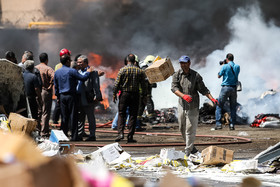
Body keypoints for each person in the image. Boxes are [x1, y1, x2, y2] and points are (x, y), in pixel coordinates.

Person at [171, 55, 218, 156]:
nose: (182, 65)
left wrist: (212, 98)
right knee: (182, 128)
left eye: (184, 63)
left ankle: (187, 152)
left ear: (189, 63)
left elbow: (203, 89)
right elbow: (174, 88)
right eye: (181, 63)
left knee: (190, 129)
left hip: (193, 106)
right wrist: (183, 96)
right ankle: (192, 148)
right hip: (182, 105)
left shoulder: (196, 75)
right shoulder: (177, 75)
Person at [54, 51, 94, 141]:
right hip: (71, 96)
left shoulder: (57, 72)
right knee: (73, 116)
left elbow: (56, 86)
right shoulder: (72, 71)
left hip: (62, 96)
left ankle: (63, 136)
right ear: (68, 61)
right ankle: (74, 137)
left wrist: (57, 97)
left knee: (64, 117)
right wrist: (88, 72)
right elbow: (83, 78)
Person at [113, 54, 147, 143]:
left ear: (126, 61)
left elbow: (116, 84)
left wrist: (114, 94)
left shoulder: (122, 70)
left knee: (121, 114)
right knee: (133, 115)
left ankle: (120, 133)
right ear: (134, 61)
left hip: (124, 94)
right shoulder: (139, 71)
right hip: (135, 95)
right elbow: (144, 86)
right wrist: (144, 96)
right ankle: (130, 136)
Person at [76, 55, 103, 141]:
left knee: (90, 117)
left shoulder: (93, 72)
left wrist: (97, 96)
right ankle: (80, 134)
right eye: (78, 62)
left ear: (85, 63)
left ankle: (92, 135)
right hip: (80, 98)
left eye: (80, 62)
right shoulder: (78, 71)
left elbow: (96, 84)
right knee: (80, 117)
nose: (78, 64)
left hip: (89, 98)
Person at [215, 53, 240, 131]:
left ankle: (218, 124)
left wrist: (223, 65)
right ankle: (232, 125)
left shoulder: (225, 66)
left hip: (225, 88)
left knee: (219, 105)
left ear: (226, 59)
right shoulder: (237, 66)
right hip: (234, 88)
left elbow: (219, 76)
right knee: (233, 107)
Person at [35, 53, 54, 137]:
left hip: (36, 91)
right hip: (46, 91)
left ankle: (37, 130)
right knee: (45, 112)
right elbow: (54, 77)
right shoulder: (48, 69)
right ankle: (44, 132)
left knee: (38, 111)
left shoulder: (35, 68)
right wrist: (50, 86)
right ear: (47, 59)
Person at [52, 49, 71, 124]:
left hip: (60, 88)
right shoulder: (69, 65)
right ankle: (67, 123)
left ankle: (55, 119)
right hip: (67, 88)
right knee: (66, 108)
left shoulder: (57, 66)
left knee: (58, 105)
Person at [23, 60, 43, 130]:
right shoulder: (34, 77)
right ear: (32, 68)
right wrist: (40, 99)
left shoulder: (21, 75)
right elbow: (37, 89)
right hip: (31, 100)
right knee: (33, 116)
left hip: (22, 100)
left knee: (24, 117)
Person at [138, 55, 157, 124]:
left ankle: (138, 121)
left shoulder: (143, 67)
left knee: (141, 105)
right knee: (148, 103)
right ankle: (151, 119)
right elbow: (146, 80)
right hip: (145, 91)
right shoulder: (145, 69)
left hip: (143, 90)